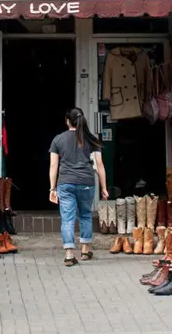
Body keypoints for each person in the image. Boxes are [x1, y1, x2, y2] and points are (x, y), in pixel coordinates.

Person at [49, 108, 108, 266]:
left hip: (65, 183)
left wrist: (52, 188)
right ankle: (84, 251)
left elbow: (54, 165)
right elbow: (100, 165)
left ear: (68, 121)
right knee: (85, 215)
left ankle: (69, 254)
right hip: (86, 183)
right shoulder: (91, 139)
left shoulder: (58, 140)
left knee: (67, 218)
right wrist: (104, 187)